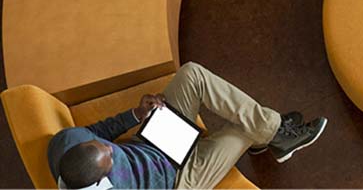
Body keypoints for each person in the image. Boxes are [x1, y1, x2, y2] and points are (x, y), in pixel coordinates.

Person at [47, 62, 327, 189]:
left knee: (192, 75)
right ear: (100, 181)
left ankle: (273, 133)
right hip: (181, 178)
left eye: (105, 148)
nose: (110, 148)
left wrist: (137, 114)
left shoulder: (65, 143)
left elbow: (100, 131)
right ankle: (274, 135)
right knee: (243, 129)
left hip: (153, 142)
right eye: (110, 155)